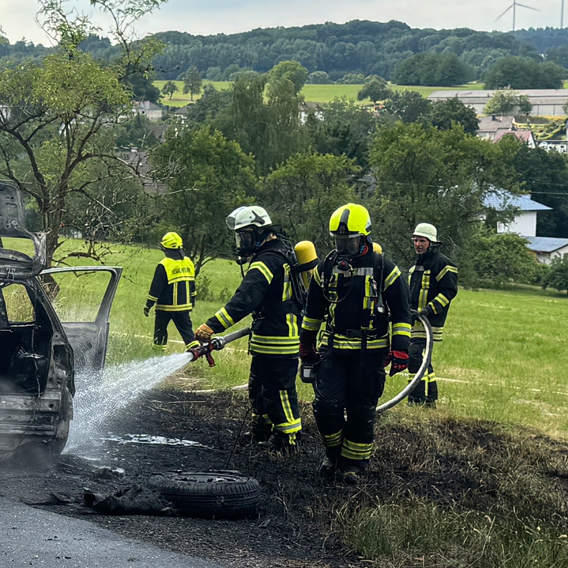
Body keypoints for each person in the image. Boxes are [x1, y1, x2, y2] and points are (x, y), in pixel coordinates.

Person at [299, 204, 411, 485]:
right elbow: (313, 312)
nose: (343, 246)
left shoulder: (383, 267)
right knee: (326, 405)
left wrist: (400, 349)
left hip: (370, 353)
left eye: (348, 240)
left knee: (362, 409)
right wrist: (306, 345)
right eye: (338, 240)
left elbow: (401, 312)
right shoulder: (325, 267)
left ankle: (354, 464)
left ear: (364, 237)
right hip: (334, 350)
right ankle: (333, 453)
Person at [194, 206, 301, 451]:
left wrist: (212, 325)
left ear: (261, 232)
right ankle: (261, 433)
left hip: (280, 338)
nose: (242, 242)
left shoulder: (268, 260)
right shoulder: (278, 253)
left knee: (278, 392)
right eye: (240, 237)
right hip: (267, 337)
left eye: (246, 237)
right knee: (259, 388)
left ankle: (288, 440)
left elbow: (245, 299)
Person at [407, 222, 457, 406]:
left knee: (414, 356)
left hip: (429, 322)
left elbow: (449, 291)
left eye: (422, 241)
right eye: (416, 240)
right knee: (424, 361)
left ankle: (416, 398)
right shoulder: (417, 266)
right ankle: (430, 399)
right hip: (416, 321)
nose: (418, 244)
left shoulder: (442, 264)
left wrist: (429, 310)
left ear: (432, 243)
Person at [144, 231, 199, 353]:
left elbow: (156, 288)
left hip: (165, 307)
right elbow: (192, 284)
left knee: (160, 330)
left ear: (165, 247)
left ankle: (158, 354)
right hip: (184, 307)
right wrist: (192, 300)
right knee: (187, 332)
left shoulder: (164, 264)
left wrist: (148, 305)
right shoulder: (189, 262)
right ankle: (197, 352)